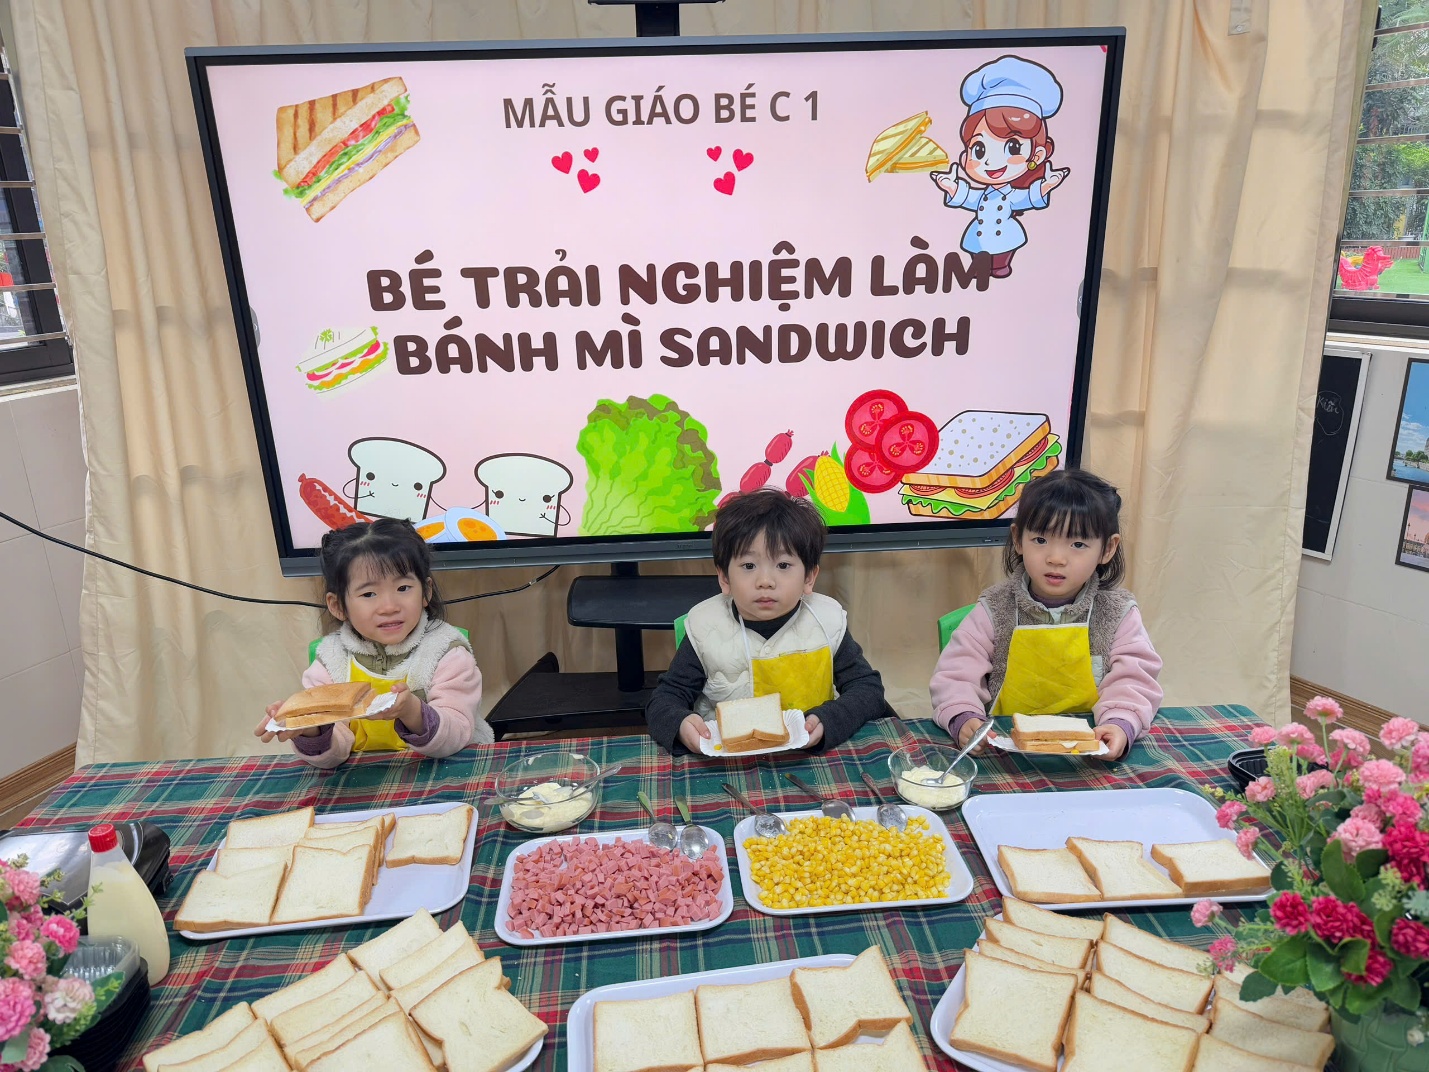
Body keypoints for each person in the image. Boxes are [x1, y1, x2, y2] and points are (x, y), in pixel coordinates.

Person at [929, 468, 1162, 760]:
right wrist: (963, 717)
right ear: (1018, 539)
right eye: (1040, 540)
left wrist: (1120, 724)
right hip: (1005, 752)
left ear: (1107, 548)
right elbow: (955, 677)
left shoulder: (1118, 614)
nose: (1056, 558)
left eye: (1078, 544)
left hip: (1089, 753)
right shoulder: (993, 609)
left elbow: (1135, 681)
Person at [646, 489, 888, 755]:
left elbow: (868, 690)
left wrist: (829, 719)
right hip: (726, 762)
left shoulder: (827, 621)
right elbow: (664, 701)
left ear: (809, 577)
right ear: (724, 578)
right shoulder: (706, 627)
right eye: (749, 566)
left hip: (807, 758)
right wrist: (680, 724)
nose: (765, 581)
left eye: (783, 565)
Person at [255, 518, 488, 767]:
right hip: (363, 777)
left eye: (403, 588)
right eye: (369, 594)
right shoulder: (330, 661)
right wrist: (310, 729)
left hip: (446, 770)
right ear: (338, 605)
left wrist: (413, 712)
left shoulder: (447, 652)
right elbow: (333, 757)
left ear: (426, 591)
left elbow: (457, 733)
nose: (389, 607)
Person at [931, 54, 1069, 279]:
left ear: (1037, 155)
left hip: (1004, 237)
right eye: (979, 149)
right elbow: (970, 197)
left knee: (1000, 260)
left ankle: (999, 268)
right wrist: (953, 188)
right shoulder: (984, 194)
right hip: (979, 238)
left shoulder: (1012, 195)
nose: (991, 161)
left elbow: (1027, 198)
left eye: (1012, 147)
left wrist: (1045, 186)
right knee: (978, 260)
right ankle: (980, 271)